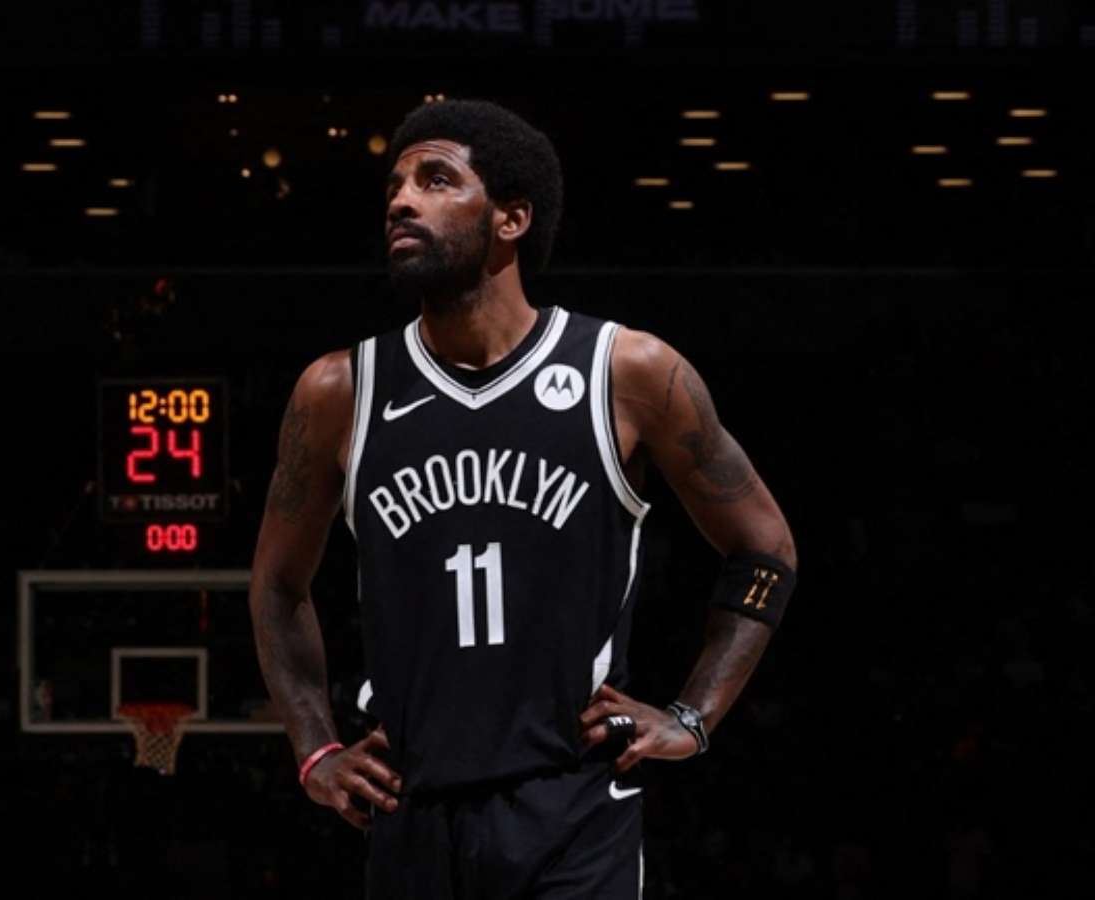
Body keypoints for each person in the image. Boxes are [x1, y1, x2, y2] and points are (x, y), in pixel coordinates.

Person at [249, 98, 797, 899]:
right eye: (395, 185)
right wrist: (316, 750)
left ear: (511, 218)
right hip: (410, 805)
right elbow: (275, 585)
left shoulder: (628, 372)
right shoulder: (339, 390)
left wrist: (691, 716)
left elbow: (766, 550)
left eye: (436, 180)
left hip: (572, 806)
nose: (401, 201)